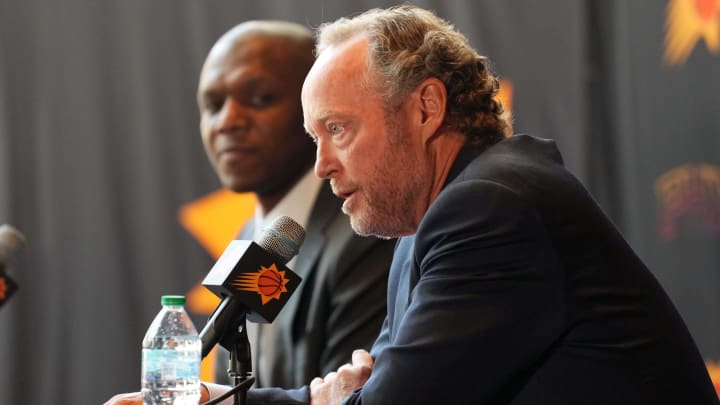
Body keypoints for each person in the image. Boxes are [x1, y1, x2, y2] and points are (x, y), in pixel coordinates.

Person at [107, 5, 719, 405]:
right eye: (314, 139)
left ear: (426, 108)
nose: (321, 165)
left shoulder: (490, 209)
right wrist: (217, 400)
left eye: (339, 130)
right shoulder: (429, 221)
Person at [104, 19, 394, 405]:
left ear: (316, 105)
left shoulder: (366, 229)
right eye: (213, 104)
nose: (228, 122)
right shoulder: (252, 238)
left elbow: (351, 396)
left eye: (259, 99)